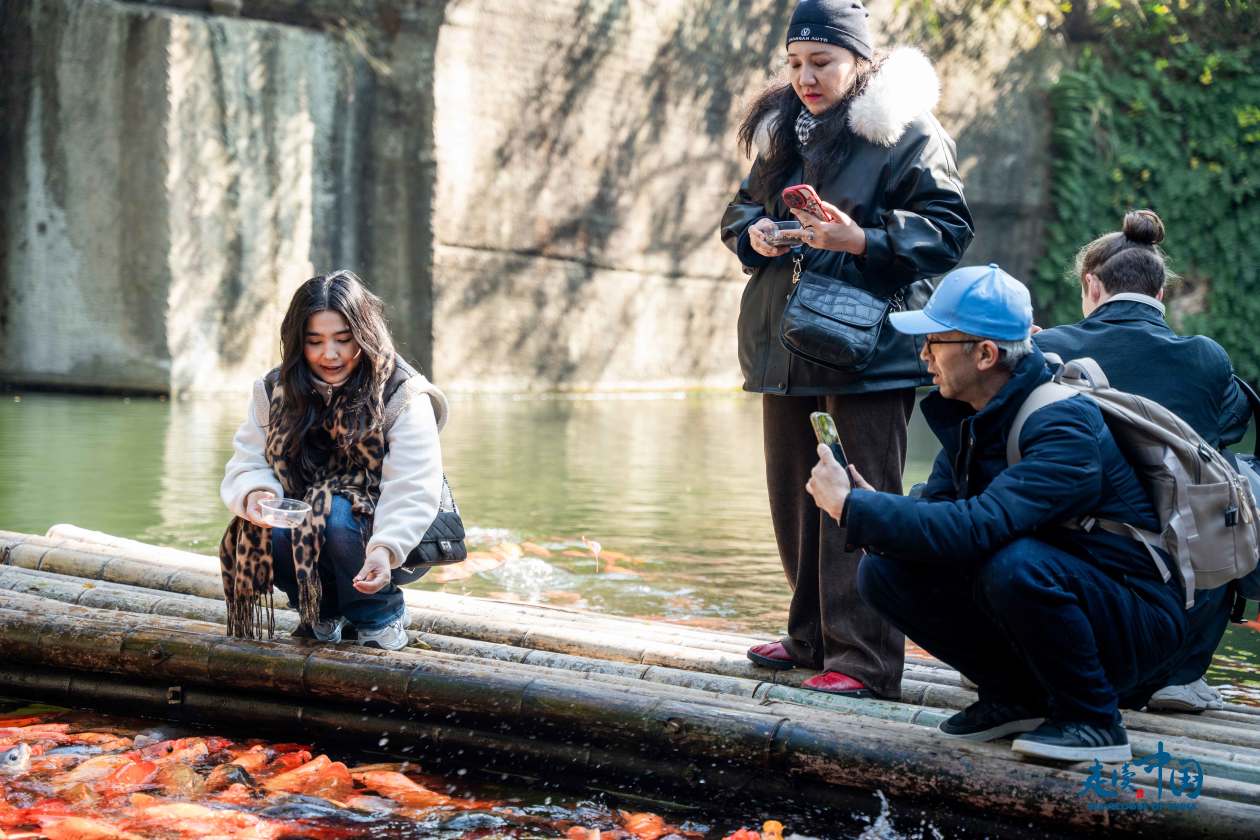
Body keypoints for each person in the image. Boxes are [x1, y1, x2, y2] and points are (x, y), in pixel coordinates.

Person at [807, 264, 1185, 762]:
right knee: (884, 570)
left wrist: (853, 507)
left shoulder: (1063, 425)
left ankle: (1093, 722)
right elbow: (940, 516)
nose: (923, 355)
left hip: (1135, 623)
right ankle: (1017, 699)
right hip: (1064, 596)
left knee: (1016, 565)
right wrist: (869, 505)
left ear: (984, 354)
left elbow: (978, 528)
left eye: (934, 341)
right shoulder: (974, 419)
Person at [720, 0, 973, 698]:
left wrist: (857, 238)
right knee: (794, 500)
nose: (805, 76)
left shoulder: (906, 130)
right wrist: (759, 234)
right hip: (784, 344)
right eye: (795, 62)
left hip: (868, 353)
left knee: (859, 499)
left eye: (822, 62)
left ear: (860, 62)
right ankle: (809, 639)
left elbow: (948, 231)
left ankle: (864, 659)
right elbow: (738, 211)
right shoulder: (783, 133)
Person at [1033, 210, 1251, 713]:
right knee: (1234, 482)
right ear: (1160, 295)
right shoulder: (1206, 357)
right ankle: (1183, 673)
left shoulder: (1050, 348)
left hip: (1070, 563)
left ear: (1092, 284)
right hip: (1176, 578)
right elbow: (1227, 430)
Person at [219, 270, 447, 651]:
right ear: (297, 343)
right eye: (315, 341)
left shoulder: (402, 393)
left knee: (339, 513)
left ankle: (381, 616)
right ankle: (319, 610)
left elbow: (413, 486)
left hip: (390, 534)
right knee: (268, 526)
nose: (330, 354)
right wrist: (257, 494)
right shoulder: (273, 389)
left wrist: (384, 549)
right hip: (306, 525)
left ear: (365, 335)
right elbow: (247, 460)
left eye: (343, 340)